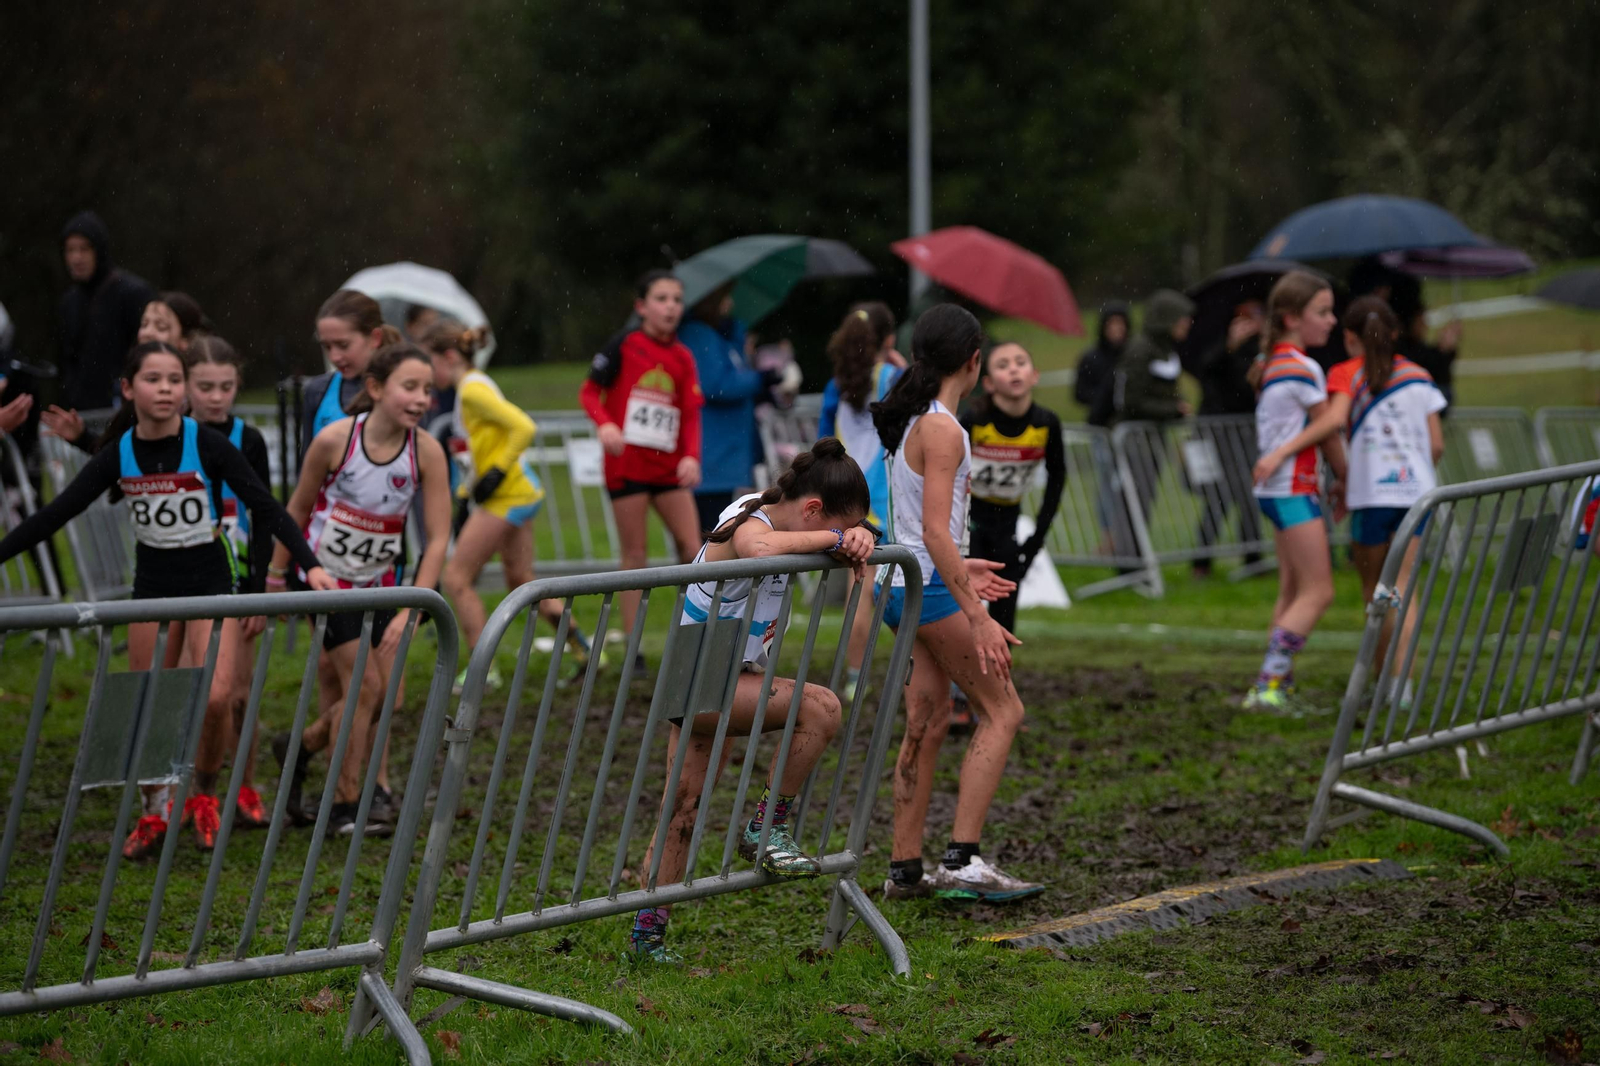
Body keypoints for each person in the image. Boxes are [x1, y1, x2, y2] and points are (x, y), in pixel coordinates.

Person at [0, 341, 338, 857]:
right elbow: (56, 514)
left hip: (209, 584)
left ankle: (202, 793)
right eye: (154, 380)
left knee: (218, 696)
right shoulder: (120, 452)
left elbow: (264, 506)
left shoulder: (205, 444)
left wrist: (309, 564)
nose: (166, 390)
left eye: (174, 380)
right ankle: (154, 811)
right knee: (144, 704)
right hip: (152, 592)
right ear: (129, 389)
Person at [630, 439, 875, 963]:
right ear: (811, 510)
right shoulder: (749, 517)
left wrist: (858, 534)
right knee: (822, 707)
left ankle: (646, 935)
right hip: (704, 682)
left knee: (684, 808)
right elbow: (758, 551)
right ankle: (767, 826)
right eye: (828, 523)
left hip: (714, 679)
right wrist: (836, 534)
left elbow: (850, 538)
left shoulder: (794, 524)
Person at [872, 304, 1042, 904]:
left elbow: (915, 525)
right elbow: (937, 532)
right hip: (929, 586)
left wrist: (959, 569)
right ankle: (963, 861)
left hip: (901, 582)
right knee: (1004, 711)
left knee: (928, 720)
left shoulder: (913, 417)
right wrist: (975, 611)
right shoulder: (943, 426)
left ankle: (905, 869)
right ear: (974, 362)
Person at [270, 340, 452, 836]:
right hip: (326, 581)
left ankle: (301, 745)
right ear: (375, 388)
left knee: (385, 700)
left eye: (427, 390)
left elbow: (437, 539)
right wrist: (276, 575)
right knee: (365, 688)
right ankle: (346, 802)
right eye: (409, 387)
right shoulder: (335, 440)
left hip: (386, 584)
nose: (420, 399)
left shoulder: (426, 450)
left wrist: (412, 610)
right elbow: (298, 510)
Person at [424, 319, 595, 692]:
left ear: (449, 356)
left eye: (429, 362)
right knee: (521, 581)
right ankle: (584, 651)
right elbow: (482, 446)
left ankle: (482, 670)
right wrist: (468, 495)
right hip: (517, 494)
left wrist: (497, 473)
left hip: (508, 496)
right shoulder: (473, 385)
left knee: (456, 578)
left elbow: (523, 427)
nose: (426, 372)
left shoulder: (470, 390)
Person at [578, 270, 703, 669]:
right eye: (662, 299)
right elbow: (587, 392)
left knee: (695, 550)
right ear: (642, 306)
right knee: (635, 555)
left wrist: (691, 456)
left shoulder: (683, 356)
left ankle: (696, 637)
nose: (671, 307)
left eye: (676, 300)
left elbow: (691, 414)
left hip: (668, 471)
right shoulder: (624, 344)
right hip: (627, 468)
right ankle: (633, 648)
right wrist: (606, 424)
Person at [1245, 271, 1347, 712]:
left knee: (1292, 591)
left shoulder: (1273, 362)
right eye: (1322, 312)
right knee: (1319, 592)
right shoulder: (1303, 367)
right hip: (1291, 488)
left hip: (1275, 488)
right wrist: (1345, 479)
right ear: (1291, 318)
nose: (1331, 321)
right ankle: (1268, 686)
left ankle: (1274, 685)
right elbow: (1328, 428)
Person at [185, 334, 275, 830]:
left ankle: (244, 784)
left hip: (239, 581)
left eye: (226, 386)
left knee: (237, 695)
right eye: (205, 387)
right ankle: (195, 789)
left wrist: (260, 589)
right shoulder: (170, 435)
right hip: (181, 582)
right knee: (195, 693)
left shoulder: (249, 440)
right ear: (186, 386)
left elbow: (264, 517)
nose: (216, 397)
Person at [1341, 296, 1446, 699]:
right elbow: (1436, 444)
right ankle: (1400, 684)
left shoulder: (1348, 379)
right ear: (1396, 334)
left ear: (1350, 338)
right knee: (1406, 589)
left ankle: (1382, 675)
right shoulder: (1419, 378)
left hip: (1369, 496)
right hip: (1415, 496)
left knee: (1375, 593)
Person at [818, 302, 903, 696]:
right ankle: (915, 669)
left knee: (860, 590)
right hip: (884, 500)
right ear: (889, 340)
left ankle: (854, 678)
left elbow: (822, 440)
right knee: (901, 587)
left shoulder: (837, 384)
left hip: (844, 496)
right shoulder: (893, 377)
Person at [962, 342, 1066, 636]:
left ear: (1034, 375)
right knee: (964, 615)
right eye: (1003, 365)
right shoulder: (973, 420)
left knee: (1004, 620)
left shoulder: (1046, 423)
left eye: (1020, 362)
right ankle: (958, 679)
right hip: (968, 526)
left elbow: (1057, 480)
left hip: (1007, 527)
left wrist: (1036, 539)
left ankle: (996, 679)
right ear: (989, 382)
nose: (1013, 369)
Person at [42, 291, 212, 447]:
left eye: (161, 327)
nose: (147, 333)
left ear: (186, 340)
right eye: (144, 324)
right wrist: (82, 437)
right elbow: (113, 456)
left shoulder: (203, 402)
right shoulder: (137, 394)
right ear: (128, 388)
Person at [679, 284, 776, 534]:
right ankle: (706, 574)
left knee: (717, 526)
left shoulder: (719, 334)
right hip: (713, 454)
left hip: (723, 453)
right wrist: (759, 379)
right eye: (724, 298)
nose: (730, 304)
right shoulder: (698, 335)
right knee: (710, 530)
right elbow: (716, 384)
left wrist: (736, 337)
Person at [1192, 301, 1265, 577]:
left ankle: (1253, 557)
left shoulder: (1262, 352)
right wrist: (1231, 347)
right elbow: (1209, 376)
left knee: (1247, 496)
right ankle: (1202, 559)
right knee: (1219, 497)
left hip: (1245, 432)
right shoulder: (1221, 349)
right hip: (1219, 433)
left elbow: (1248, 392)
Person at [1114, 289, 1195, 530]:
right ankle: (1130, 561)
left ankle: (1139, 557)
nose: (1186, 323)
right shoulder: (1140, 349)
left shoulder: (1165, 348)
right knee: (1134, 500)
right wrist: (1172, 410)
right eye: (1181, 317)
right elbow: (1130, 401)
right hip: (1137, 438)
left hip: (1152, 436)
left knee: (1145, 498)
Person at [56, 211, 154, 412]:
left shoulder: (133, 293)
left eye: (84, 249)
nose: (76, 258)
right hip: (81, 415)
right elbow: (67, 363)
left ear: (99, 251)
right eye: (70, 250)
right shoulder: (69, 301)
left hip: (123, 410)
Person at [301, 290, 388, 454]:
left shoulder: (401, 391)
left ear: (375, 338)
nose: (334, 357)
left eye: (343, 345)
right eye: (326, 346)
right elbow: (306, 469)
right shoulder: (317, 391)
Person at [1074, 300, 1130, 427]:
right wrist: (1104, 397)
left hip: (1130, 425)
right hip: (1101, 425)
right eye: (1112, 323)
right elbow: (1079, 393)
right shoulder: (1091, 358)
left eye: (1120, 323)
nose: (1116, 328)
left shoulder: (1133, 355)